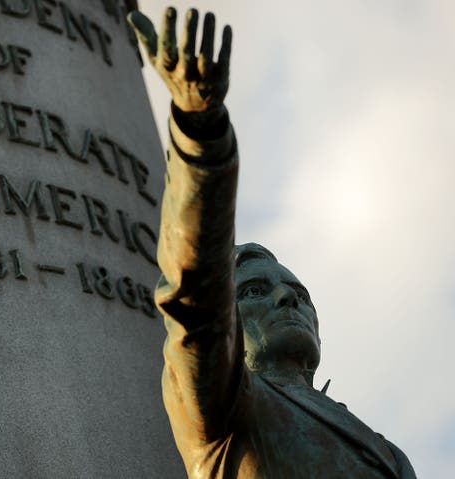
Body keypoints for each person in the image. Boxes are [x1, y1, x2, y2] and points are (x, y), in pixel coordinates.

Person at [128, 7, 417, 479]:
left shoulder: (385, 451)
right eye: (255, 291)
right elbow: (196, 297)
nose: (288, 297)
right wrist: (200, 131)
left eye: (299, 294)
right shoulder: (227, 406)